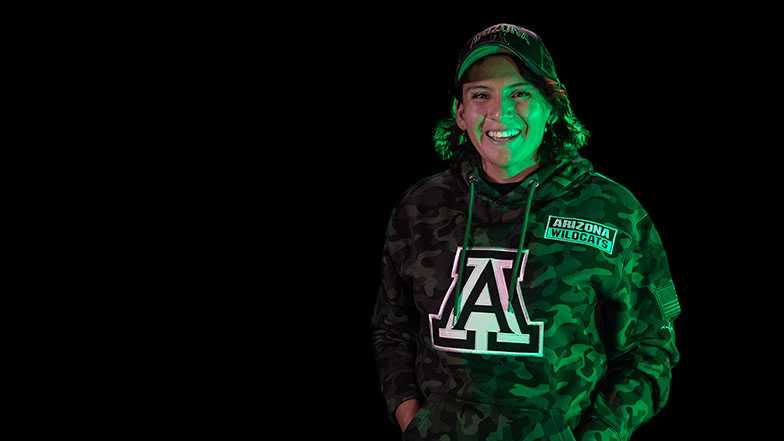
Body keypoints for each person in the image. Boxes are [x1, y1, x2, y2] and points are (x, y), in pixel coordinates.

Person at [370, 23, 681, 441]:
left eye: (521, 93)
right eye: (481, 94)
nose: (500, 112)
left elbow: (651, 347)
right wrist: (412, 418)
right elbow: (391, 327)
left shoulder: (613, 213)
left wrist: (598, 436)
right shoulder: (419, 209)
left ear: (551, 107)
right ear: (460, 113)